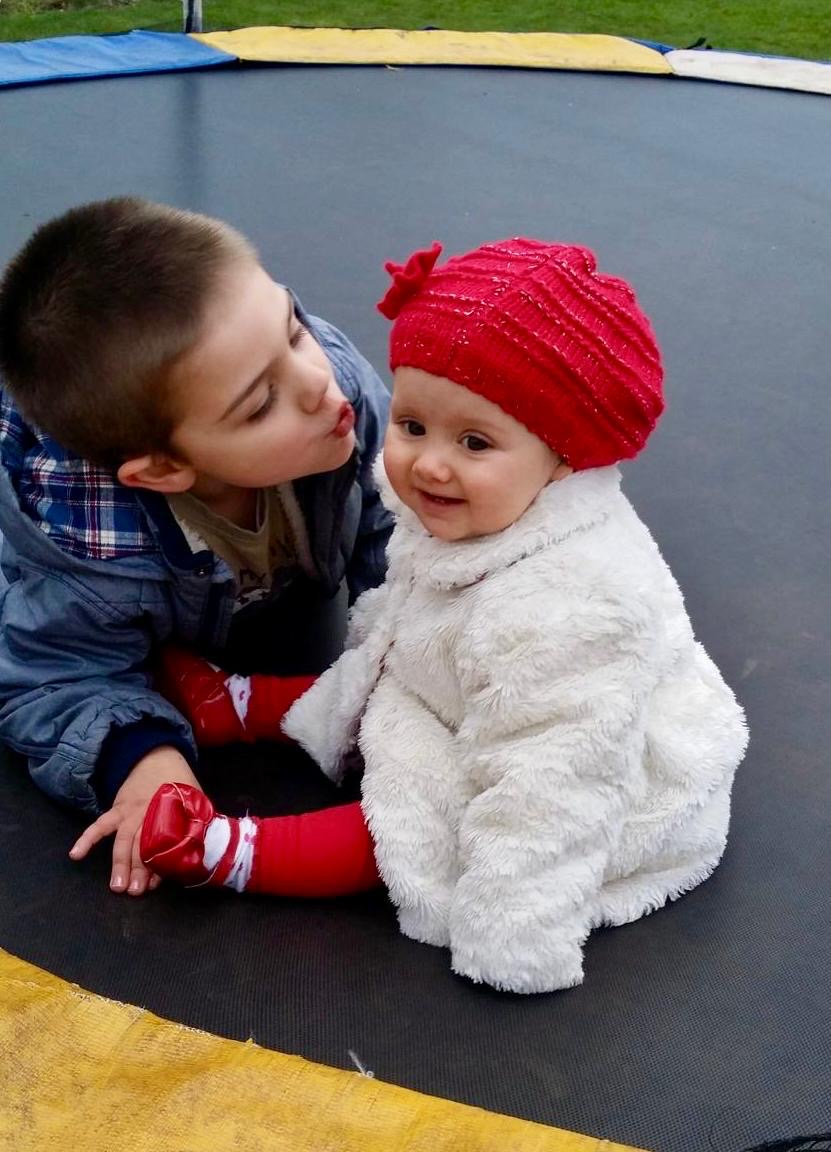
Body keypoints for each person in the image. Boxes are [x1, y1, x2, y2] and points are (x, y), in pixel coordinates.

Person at [141, 238, 748, 994]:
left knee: (409, 820)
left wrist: (515, 937)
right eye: (412, 425)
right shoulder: (482, 503)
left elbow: (553, 792)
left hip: (597, 777)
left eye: (473, 442)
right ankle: (233, 707)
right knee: (378, 682)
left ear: (564, 458)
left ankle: (228, 854)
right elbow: (404, 636)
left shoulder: (572, 611)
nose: (428, 463)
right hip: (470, 693)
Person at [0, 196, 391, 899]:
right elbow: (53, 674)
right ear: (164, 471)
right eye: (260, 405)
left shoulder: (329, 391)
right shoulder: (89, 559)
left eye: (292, 328)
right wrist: (138, 757)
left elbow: (397, 518)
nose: (316, 384)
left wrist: (420, 635)